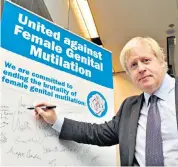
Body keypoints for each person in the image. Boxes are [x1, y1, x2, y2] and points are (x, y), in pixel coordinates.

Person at [34, 37, 178, 166]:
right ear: (129, 74)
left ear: (161, 61)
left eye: (146, 60)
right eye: (133, 65)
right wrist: (55, 120)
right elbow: (98, 133)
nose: (141, 69)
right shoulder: (129, 107)